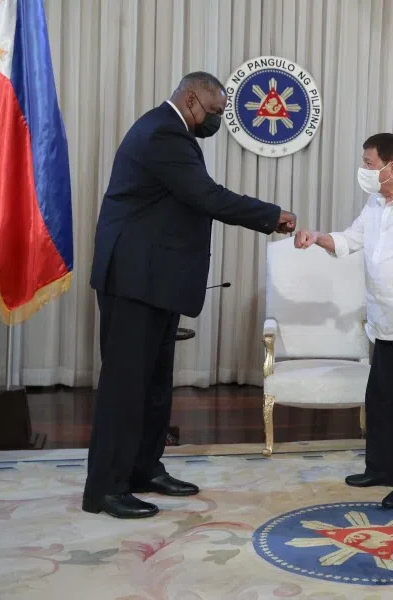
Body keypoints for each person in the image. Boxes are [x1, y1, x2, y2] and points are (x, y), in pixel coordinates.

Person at [85, 72, 295, 519]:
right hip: (134, 280)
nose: (217, 121)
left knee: (155, 385)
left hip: (155, 280)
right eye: (216, 112)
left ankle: (144, 468)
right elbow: (206, 197)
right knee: (126, 388)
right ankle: (106, 488)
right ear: (191, 97)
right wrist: (272, 216)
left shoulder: (176, 133)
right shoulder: (163, 131)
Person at [294, 133, 393, 509]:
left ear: (392, 167)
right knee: (381, 399)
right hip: (384, 319)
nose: (363, 170)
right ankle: (380, 468)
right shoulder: (376, 201)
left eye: (368, 163)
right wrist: (317, 237)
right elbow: (351, 240)